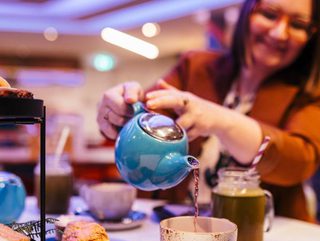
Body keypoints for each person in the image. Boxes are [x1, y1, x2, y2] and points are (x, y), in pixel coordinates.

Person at [97, 0, 320, 222]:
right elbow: (149, 116)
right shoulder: (195, 67)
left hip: (265, 234)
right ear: (247, 13)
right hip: (173, 226)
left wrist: (221, 120)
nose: (280, 33)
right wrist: (119, 111)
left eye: (298, 25)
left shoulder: (311, 93)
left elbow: (300, 159)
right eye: (270, 14)